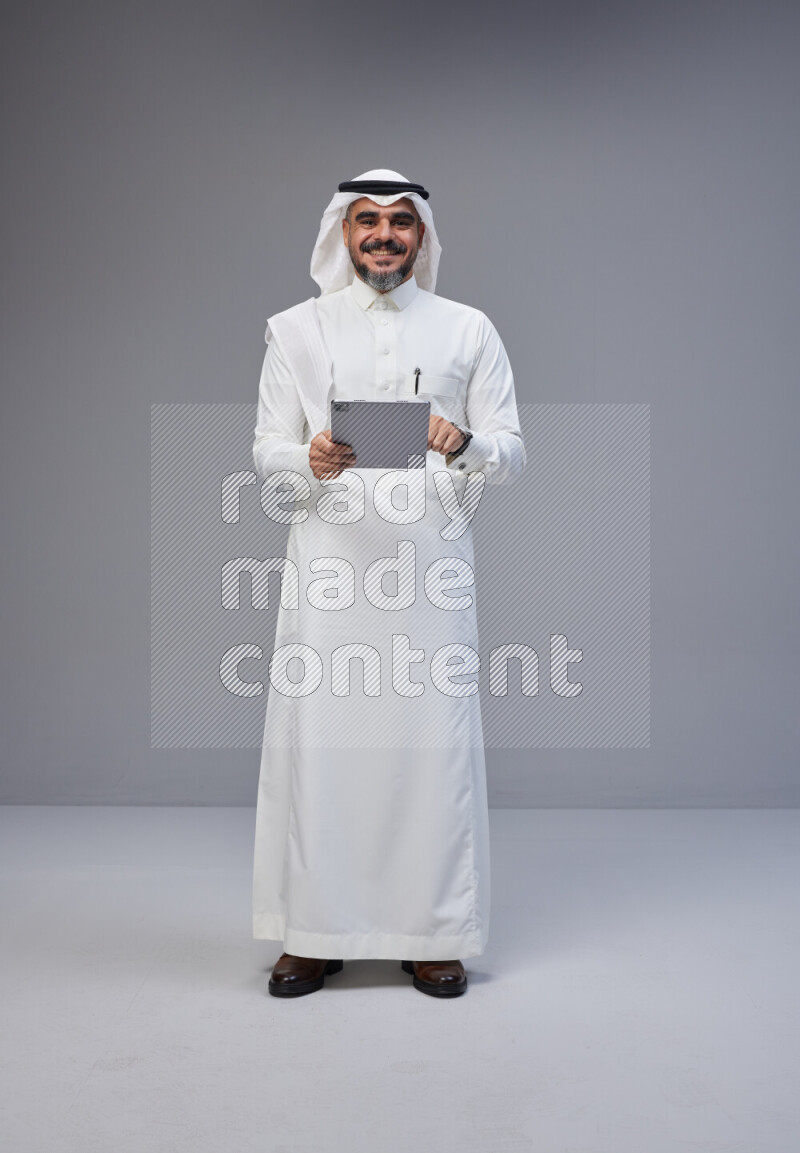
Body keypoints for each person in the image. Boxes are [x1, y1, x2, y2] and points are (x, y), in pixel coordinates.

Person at [251, 168, 526, 998]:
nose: (382, 234)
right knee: (321, 747)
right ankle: (312, 932)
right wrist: (310, 457)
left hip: (429, 576)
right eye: (365, 220)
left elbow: (512, 451)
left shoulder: (468, 330)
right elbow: (267, 449)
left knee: (428, 748)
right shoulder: (296, 331)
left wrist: (465, 442)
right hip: (330, 574)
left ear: (422, 237)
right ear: (342, 232)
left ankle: (432, 931)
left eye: (400, 222)